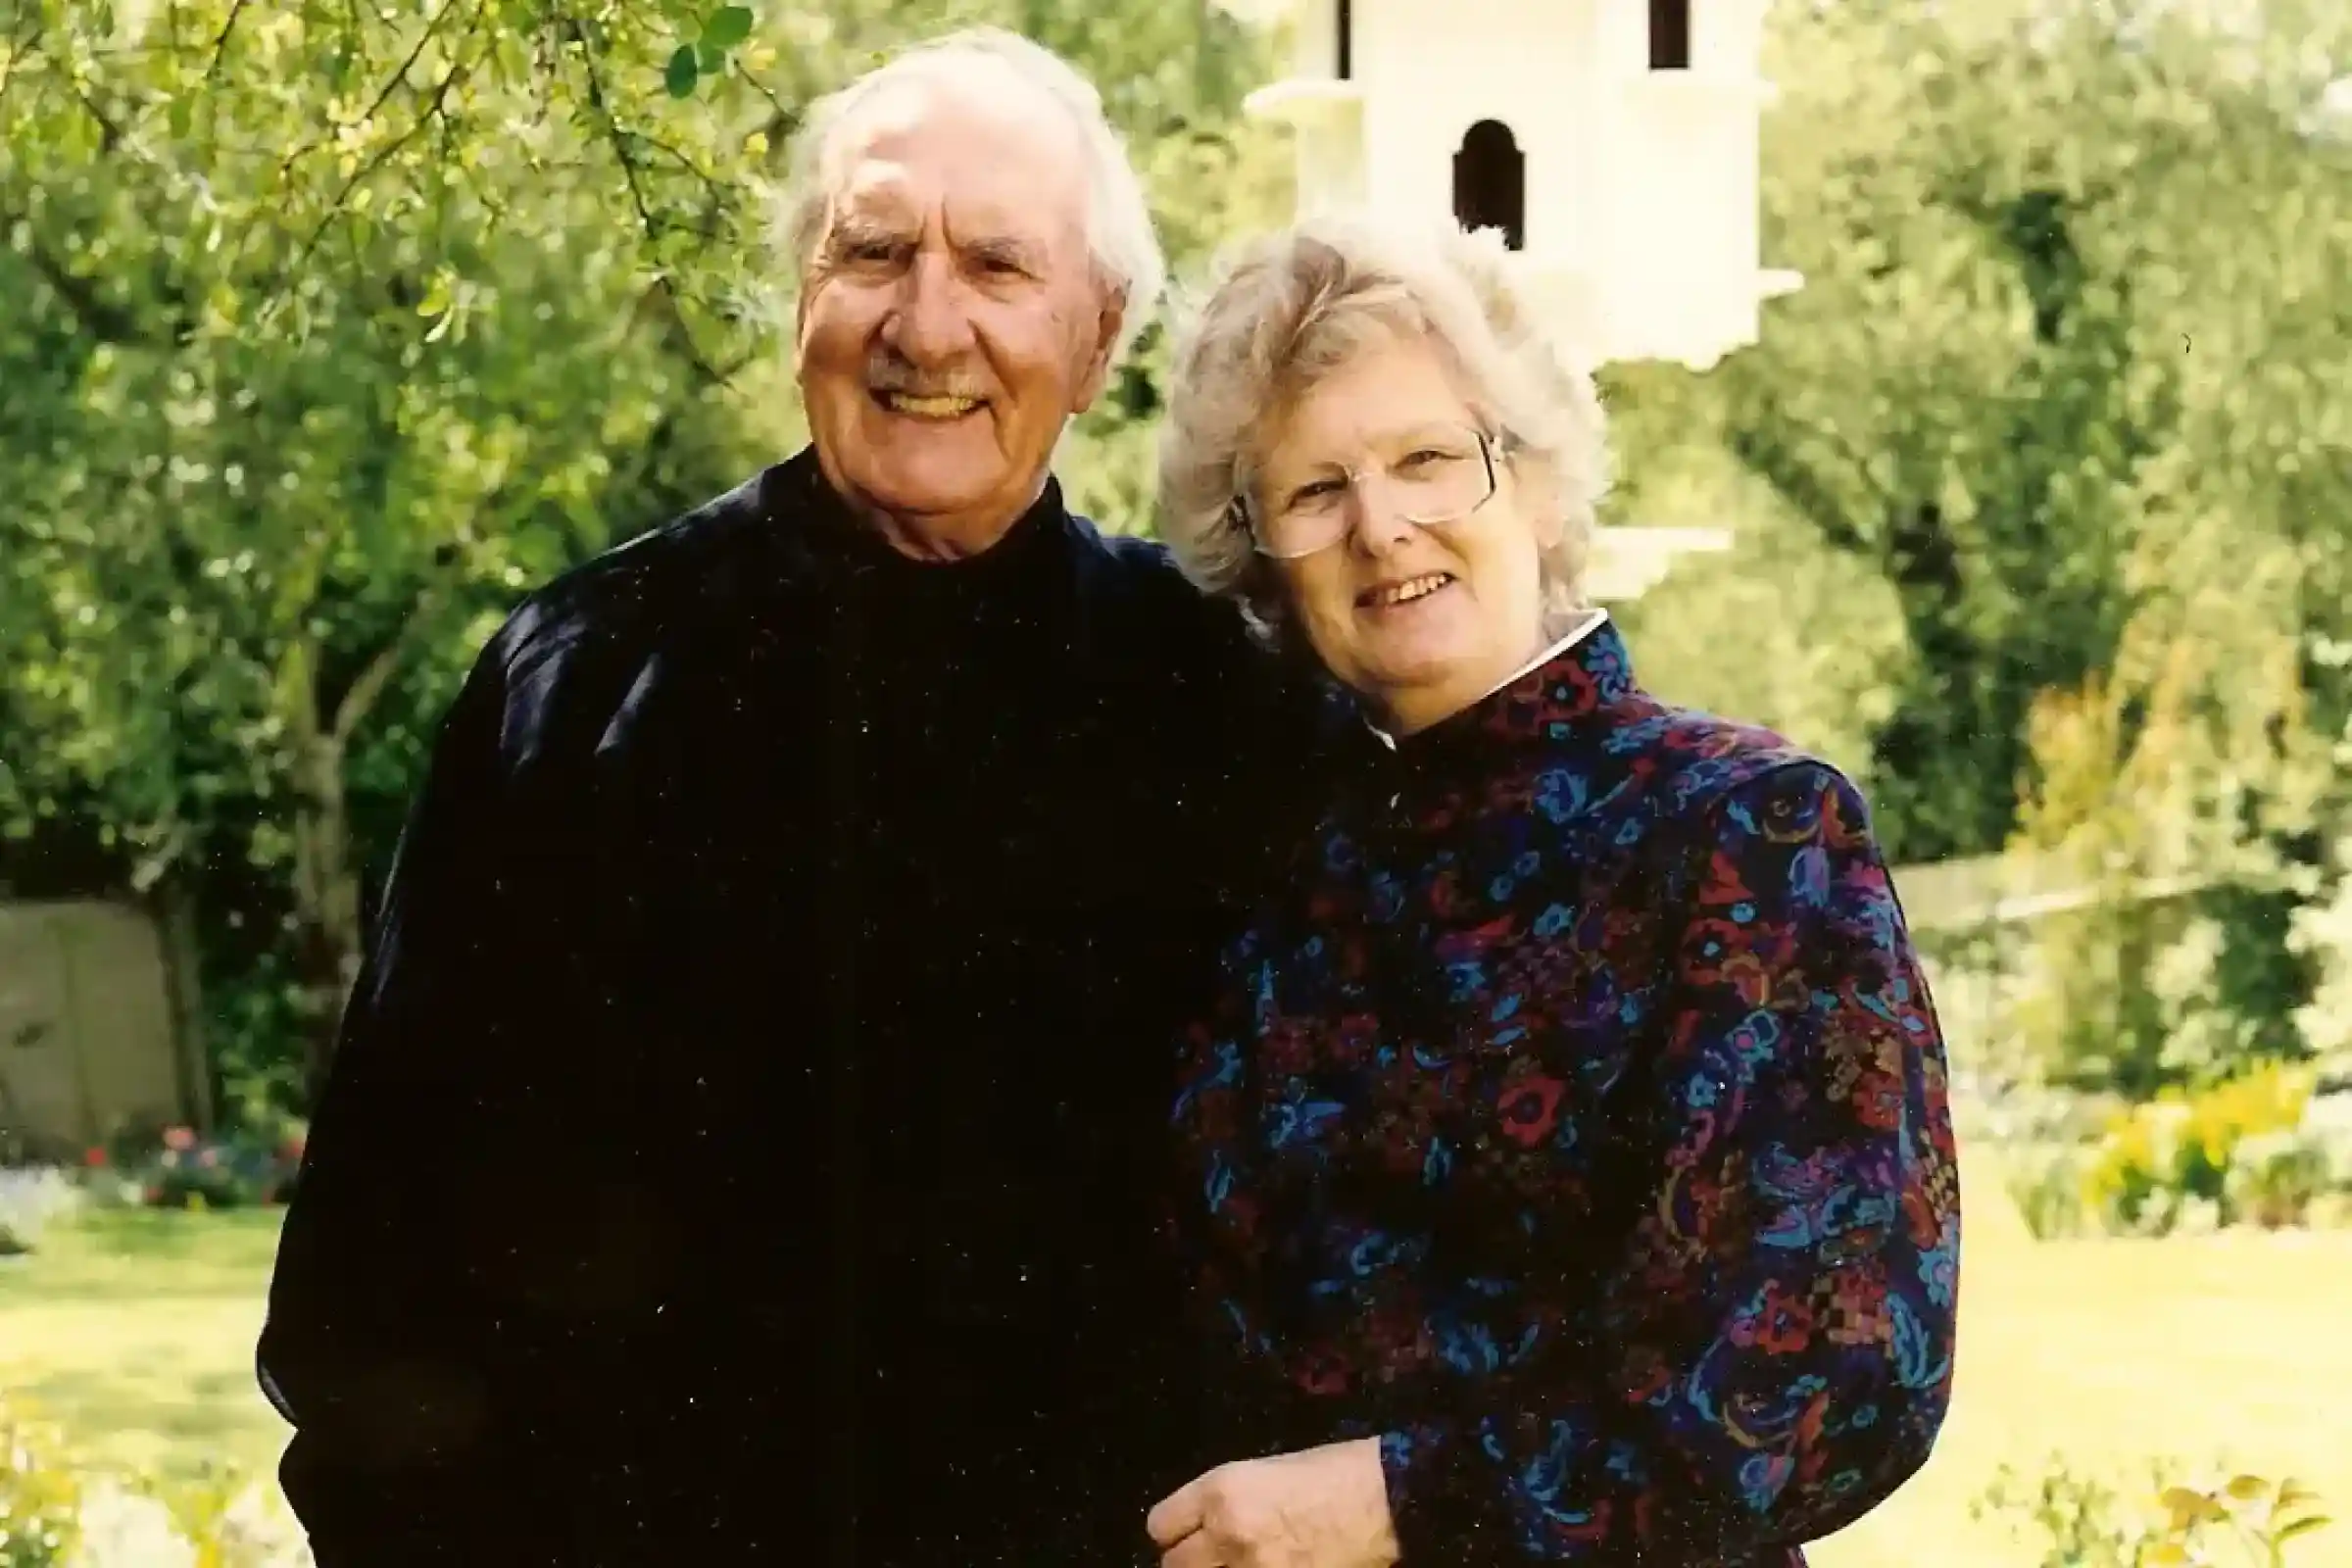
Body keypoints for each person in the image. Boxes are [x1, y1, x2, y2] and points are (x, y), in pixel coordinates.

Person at [256, 29, 1322, 1568]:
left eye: (999, 268)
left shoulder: (1224, 705)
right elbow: (377, 1280)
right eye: (873, 250)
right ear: (802, 305)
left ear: (1098, 341)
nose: (927, 323)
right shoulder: (581, 678)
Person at [1143, 213, 1962, 1568]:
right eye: (1314, 489)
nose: (1382, 525)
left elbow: (1839, 1375)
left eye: (1428, 461)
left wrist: (1399, 1503)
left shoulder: (1744, 835)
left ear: (1534, 482)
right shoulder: (1277, 866)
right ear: (1265, 559)